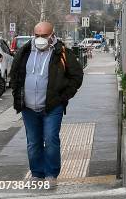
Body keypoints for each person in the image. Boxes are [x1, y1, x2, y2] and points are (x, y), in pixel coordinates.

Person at [9, 22, 84, 189]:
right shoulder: (25, 52)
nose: (40, 39)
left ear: (52, 35)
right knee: (33, 142)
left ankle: (51, 175)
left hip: (52, 107)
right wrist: (17, 95)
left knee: (51, 140)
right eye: (37, 35)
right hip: (28, 107)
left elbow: (77, 76)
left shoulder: (62, 52)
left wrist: (62, 97)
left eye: (44, 35)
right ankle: (37, 174)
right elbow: (15, 74)